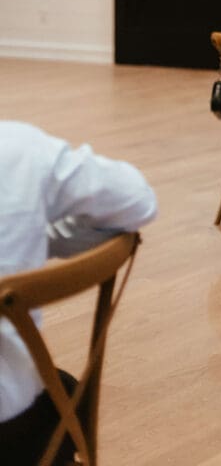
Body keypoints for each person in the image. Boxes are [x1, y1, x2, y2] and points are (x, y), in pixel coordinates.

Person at [0, 120, 157, 465]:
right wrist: (34, 237)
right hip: (17, 438)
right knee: (61, 389)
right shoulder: (17, 150)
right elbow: (138, 201)